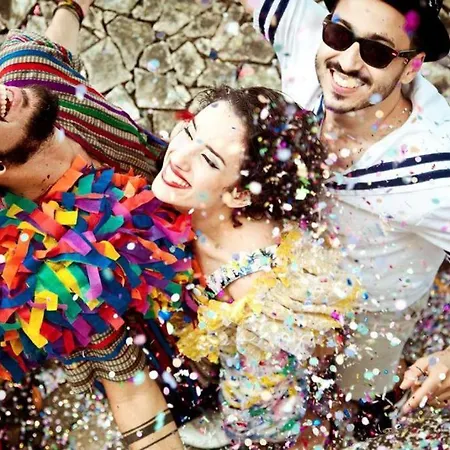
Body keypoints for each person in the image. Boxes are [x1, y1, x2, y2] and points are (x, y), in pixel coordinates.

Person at [238, 0, 450, 426]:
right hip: (286, 279)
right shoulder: (308, 41)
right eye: (339, 34)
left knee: (359, 388)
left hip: (374, 314)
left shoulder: (436, 172)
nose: (347, 61)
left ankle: (366, 410)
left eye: (377, 52)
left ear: (412, 66)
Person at [0, 1, 201, 449]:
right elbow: (130, 392)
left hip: (217, 216)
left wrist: (71, 7)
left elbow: (55, 43)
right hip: (183, 353)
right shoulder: (50, 267)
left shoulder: (24, 68)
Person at [152, 85, 359, 449]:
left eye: (209, 160)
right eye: (189, 131)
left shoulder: (259, 289)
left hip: (262, 387)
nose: (179, 157)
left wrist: (242, 426)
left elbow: (257, 397)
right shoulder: (197, 204)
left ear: (241, 194)